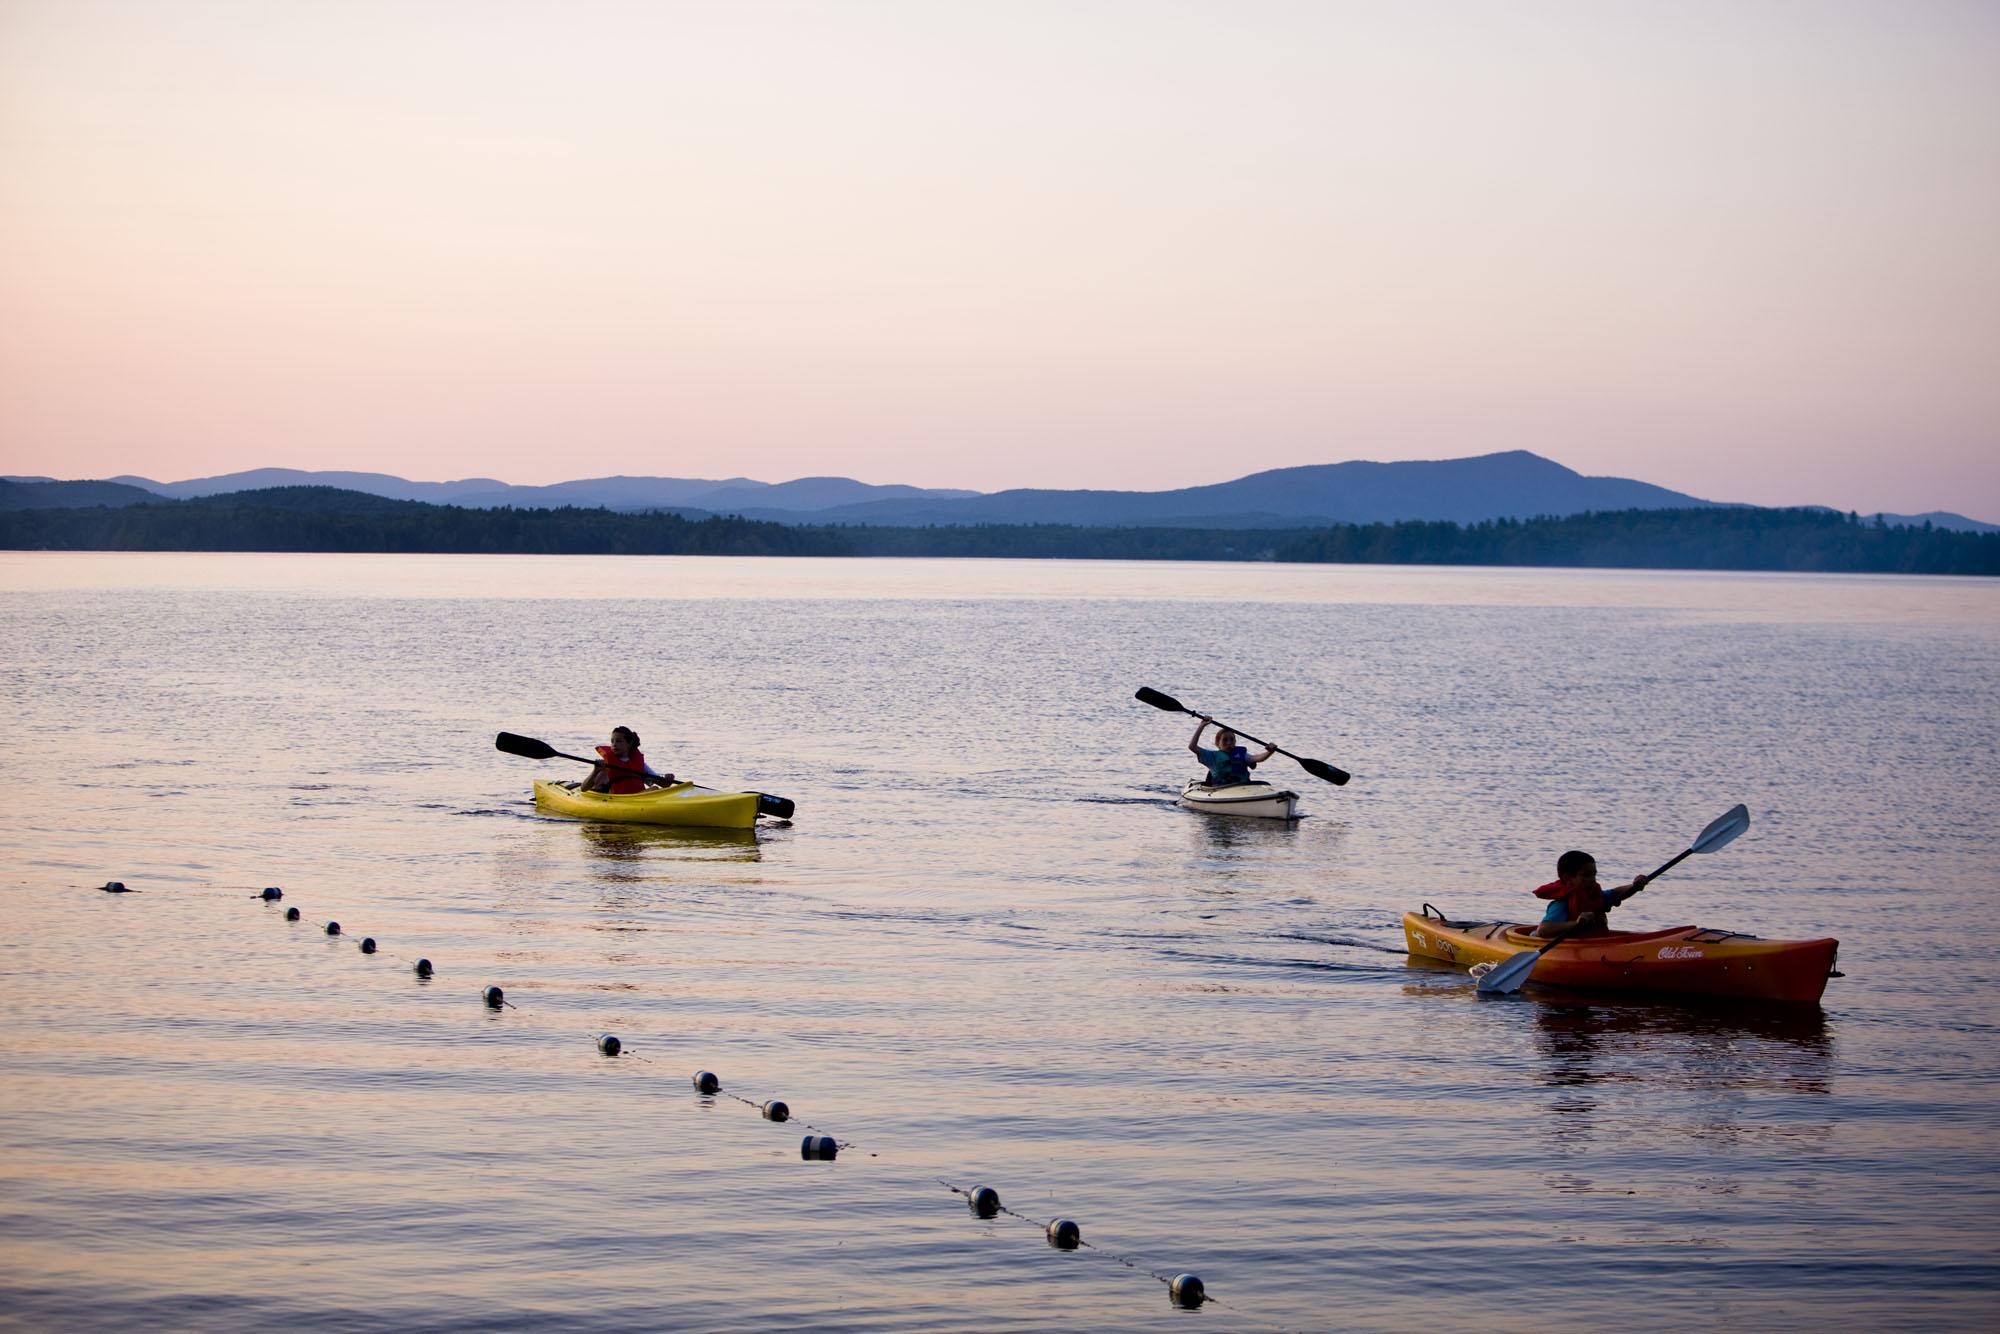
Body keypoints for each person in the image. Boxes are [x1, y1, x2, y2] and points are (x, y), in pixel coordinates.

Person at [1532, 850, 1650, 938]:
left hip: (1594, 946)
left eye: (1594, 874)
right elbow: (1543, 930)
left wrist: (1635, 886)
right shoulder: (1562, 904)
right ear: (1568, 879)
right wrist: (1576, 923)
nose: (1592, 879)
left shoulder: (1594, 895)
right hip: (1566, 947)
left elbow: (1616, 893)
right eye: (1586, 875)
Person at [580, 726, 673, 794]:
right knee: (655, 789)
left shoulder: (640, 764)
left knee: (655, 789)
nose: (614, 745)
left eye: (619, 741)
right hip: (618, 799)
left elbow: (664, 785)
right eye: (612, 741)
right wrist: (595, 770)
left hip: (638, 797)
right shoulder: (606, 764)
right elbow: (584, 788)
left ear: (629, 744)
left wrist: (668, 779)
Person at [1187, 716, 1275, 787]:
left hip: (1243, 788)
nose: (1229, 743)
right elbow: (1192, 746)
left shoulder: (1242, 755)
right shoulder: (1211, 756)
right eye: (1225, 740)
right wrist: (1202, 726)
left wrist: (1269, 752)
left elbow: (1258, 758)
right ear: (1218, 743)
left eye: (1232, 739)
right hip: (1220, 790)